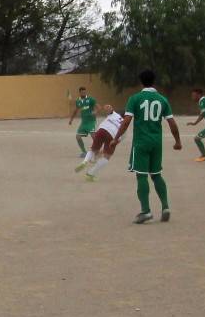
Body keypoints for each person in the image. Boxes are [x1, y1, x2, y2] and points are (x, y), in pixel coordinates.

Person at [113, 70, 183, 224]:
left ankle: (146, 211)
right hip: (157, 142)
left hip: (141, 142)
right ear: (154, 81)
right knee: (157, 174)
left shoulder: (135, 98)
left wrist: (116, 138)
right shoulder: (162, 100)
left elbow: (126, 121)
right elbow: (172, 123)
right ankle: (165, 207)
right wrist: (178, 141)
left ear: (141, 82)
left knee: (141, 175)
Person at [76, 105, 124, 181]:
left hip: (102, 129)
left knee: (93, 149)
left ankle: (84, 162)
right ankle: (90, 174)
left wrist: (106, 107)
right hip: (113, 135)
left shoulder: (115, 114)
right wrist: (106, 151)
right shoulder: (125, 125)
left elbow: (109, 108)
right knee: (107, 157)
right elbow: (118, 140)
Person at [68, 87, 98, 158]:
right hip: (84, 123)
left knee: (94, 136)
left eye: (85, 92)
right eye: (82, 92)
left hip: (91, 122)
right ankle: (84, 152)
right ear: (80, 92)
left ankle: (97, 150)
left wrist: (95, 112)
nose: (84, 93)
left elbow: (99, 107)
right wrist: (71, 119)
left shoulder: (91, 99)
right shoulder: (78, 101)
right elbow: (75, 111)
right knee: (78, 137)